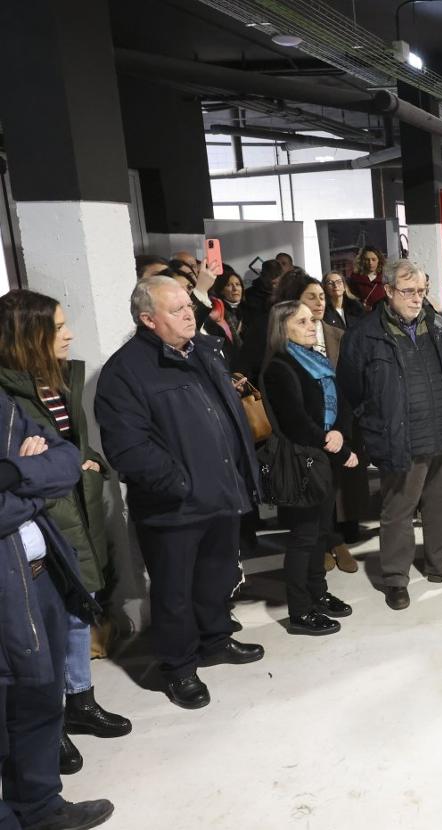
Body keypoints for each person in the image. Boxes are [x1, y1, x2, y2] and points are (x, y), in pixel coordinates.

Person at [95, 276, 265, 709]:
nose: (190, 314)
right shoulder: (125, 372)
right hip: (175, 505)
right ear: (148, 320)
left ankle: (215, 640)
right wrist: (180, 484)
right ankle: (178, 668)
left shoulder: (205, 351)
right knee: (174, 593)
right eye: (177, 310)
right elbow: (128, 448)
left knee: (216, 577)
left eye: (188, 305)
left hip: (222, 490)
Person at [0, 291, 132, 778]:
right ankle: (50, 721)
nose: (69, 334)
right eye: (57, 327)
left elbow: (64, 449)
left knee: (79, 606)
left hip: (75, 504)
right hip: (41, 520)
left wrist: (82, 459)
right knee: (47, 626)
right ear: (27, 335)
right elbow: (22, 472)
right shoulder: (8, 395)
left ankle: (80, 700)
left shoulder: (54, 379)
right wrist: (48, 467)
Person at [0, 385, 115, 830]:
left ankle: (40, 807)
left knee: (41, 699)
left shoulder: (4, 404)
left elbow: (65, 459)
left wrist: (13, 472)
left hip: (42, 576)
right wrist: (32, 487)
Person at [337, 259, 442, 611]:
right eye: (408, 291)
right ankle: (396, 578)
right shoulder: (365, 334)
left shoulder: (438, 325)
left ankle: (441, 564)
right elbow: (351, 389)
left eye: (421, 291)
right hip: (400, 437)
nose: (417, 298)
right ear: (388, 291)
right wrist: (374, 425)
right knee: (399, 511)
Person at [261, 302, 359, 636]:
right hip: (302, 460)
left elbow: (339, 403)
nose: (311, 325)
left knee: (321, 532)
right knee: (303, 538)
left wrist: (340, 433)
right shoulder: (280, 366)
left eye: (311, 320)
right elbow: (295, 421)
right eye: (301, 321)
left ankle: (318, 593)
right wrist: (336, 445)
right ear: (282, 328)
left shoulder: (315, 360)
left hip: (323, 456)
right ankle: (300, 611)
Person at [275, 271, 366, 564]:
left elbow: (349, 385)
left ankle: (335, 541)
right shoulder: (282, 354)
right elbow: (292, 409)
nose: (319, 302)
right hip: (307, 439)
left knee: (338, 495)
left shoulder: (337, 334)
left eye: (322, 297)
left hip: (340, 429)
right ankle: (322, 548)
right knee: (310, 515)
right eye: (310, 297)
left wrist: (340, 431)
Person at [238, 258, 284, 379]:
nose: (274, 286)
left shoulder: (284, 296)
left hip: (280, 347)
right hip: (256, 348)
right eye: (271, 282)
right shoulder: (248, 295)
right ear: (263, 276)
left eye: (277, 282)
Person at [347, 246, 387, 310]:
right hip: (361, 314)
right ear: (362, 261)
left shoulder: (385, 279)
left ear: (379, 260)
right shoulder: (355, 279)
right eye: (367, 260)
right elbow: (350, 301)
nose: (370, 263)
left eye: (373, 259)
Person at [211, 270, 246, 340]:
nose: (235, 289)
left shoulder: (250, 308)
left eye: (237, 284)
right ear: (221, 290)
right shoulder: (216, 312)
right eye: (229, 285)